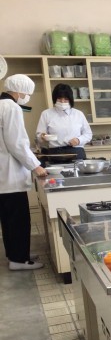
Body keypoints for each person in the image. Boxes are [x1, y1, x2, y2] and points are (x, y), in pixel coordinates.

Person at [0, 74, 48, 270]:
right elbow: (17, 143)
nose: (27, 97)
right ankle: (19, 260)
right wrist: (35, 166)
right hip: (10, 176)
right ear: (20, 91)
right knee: (18, 219)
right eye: (27, 93)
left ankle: (16, 255)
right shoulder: (11, 107)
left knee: (8, 220)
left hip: (4, 176)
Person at [36, 83, 92, 165]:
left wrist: (78, 140)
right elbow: (39, 135)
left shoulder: (78, 114)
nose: (62, 102)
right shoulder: (46, 114)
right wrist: (42, 136)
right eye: (59, 99)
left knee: (77, 172)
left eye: (66, 99)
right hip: (55, 153)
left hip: (76, 152)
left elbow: (88, 134)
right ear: (55, 99)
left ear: (70, 99)